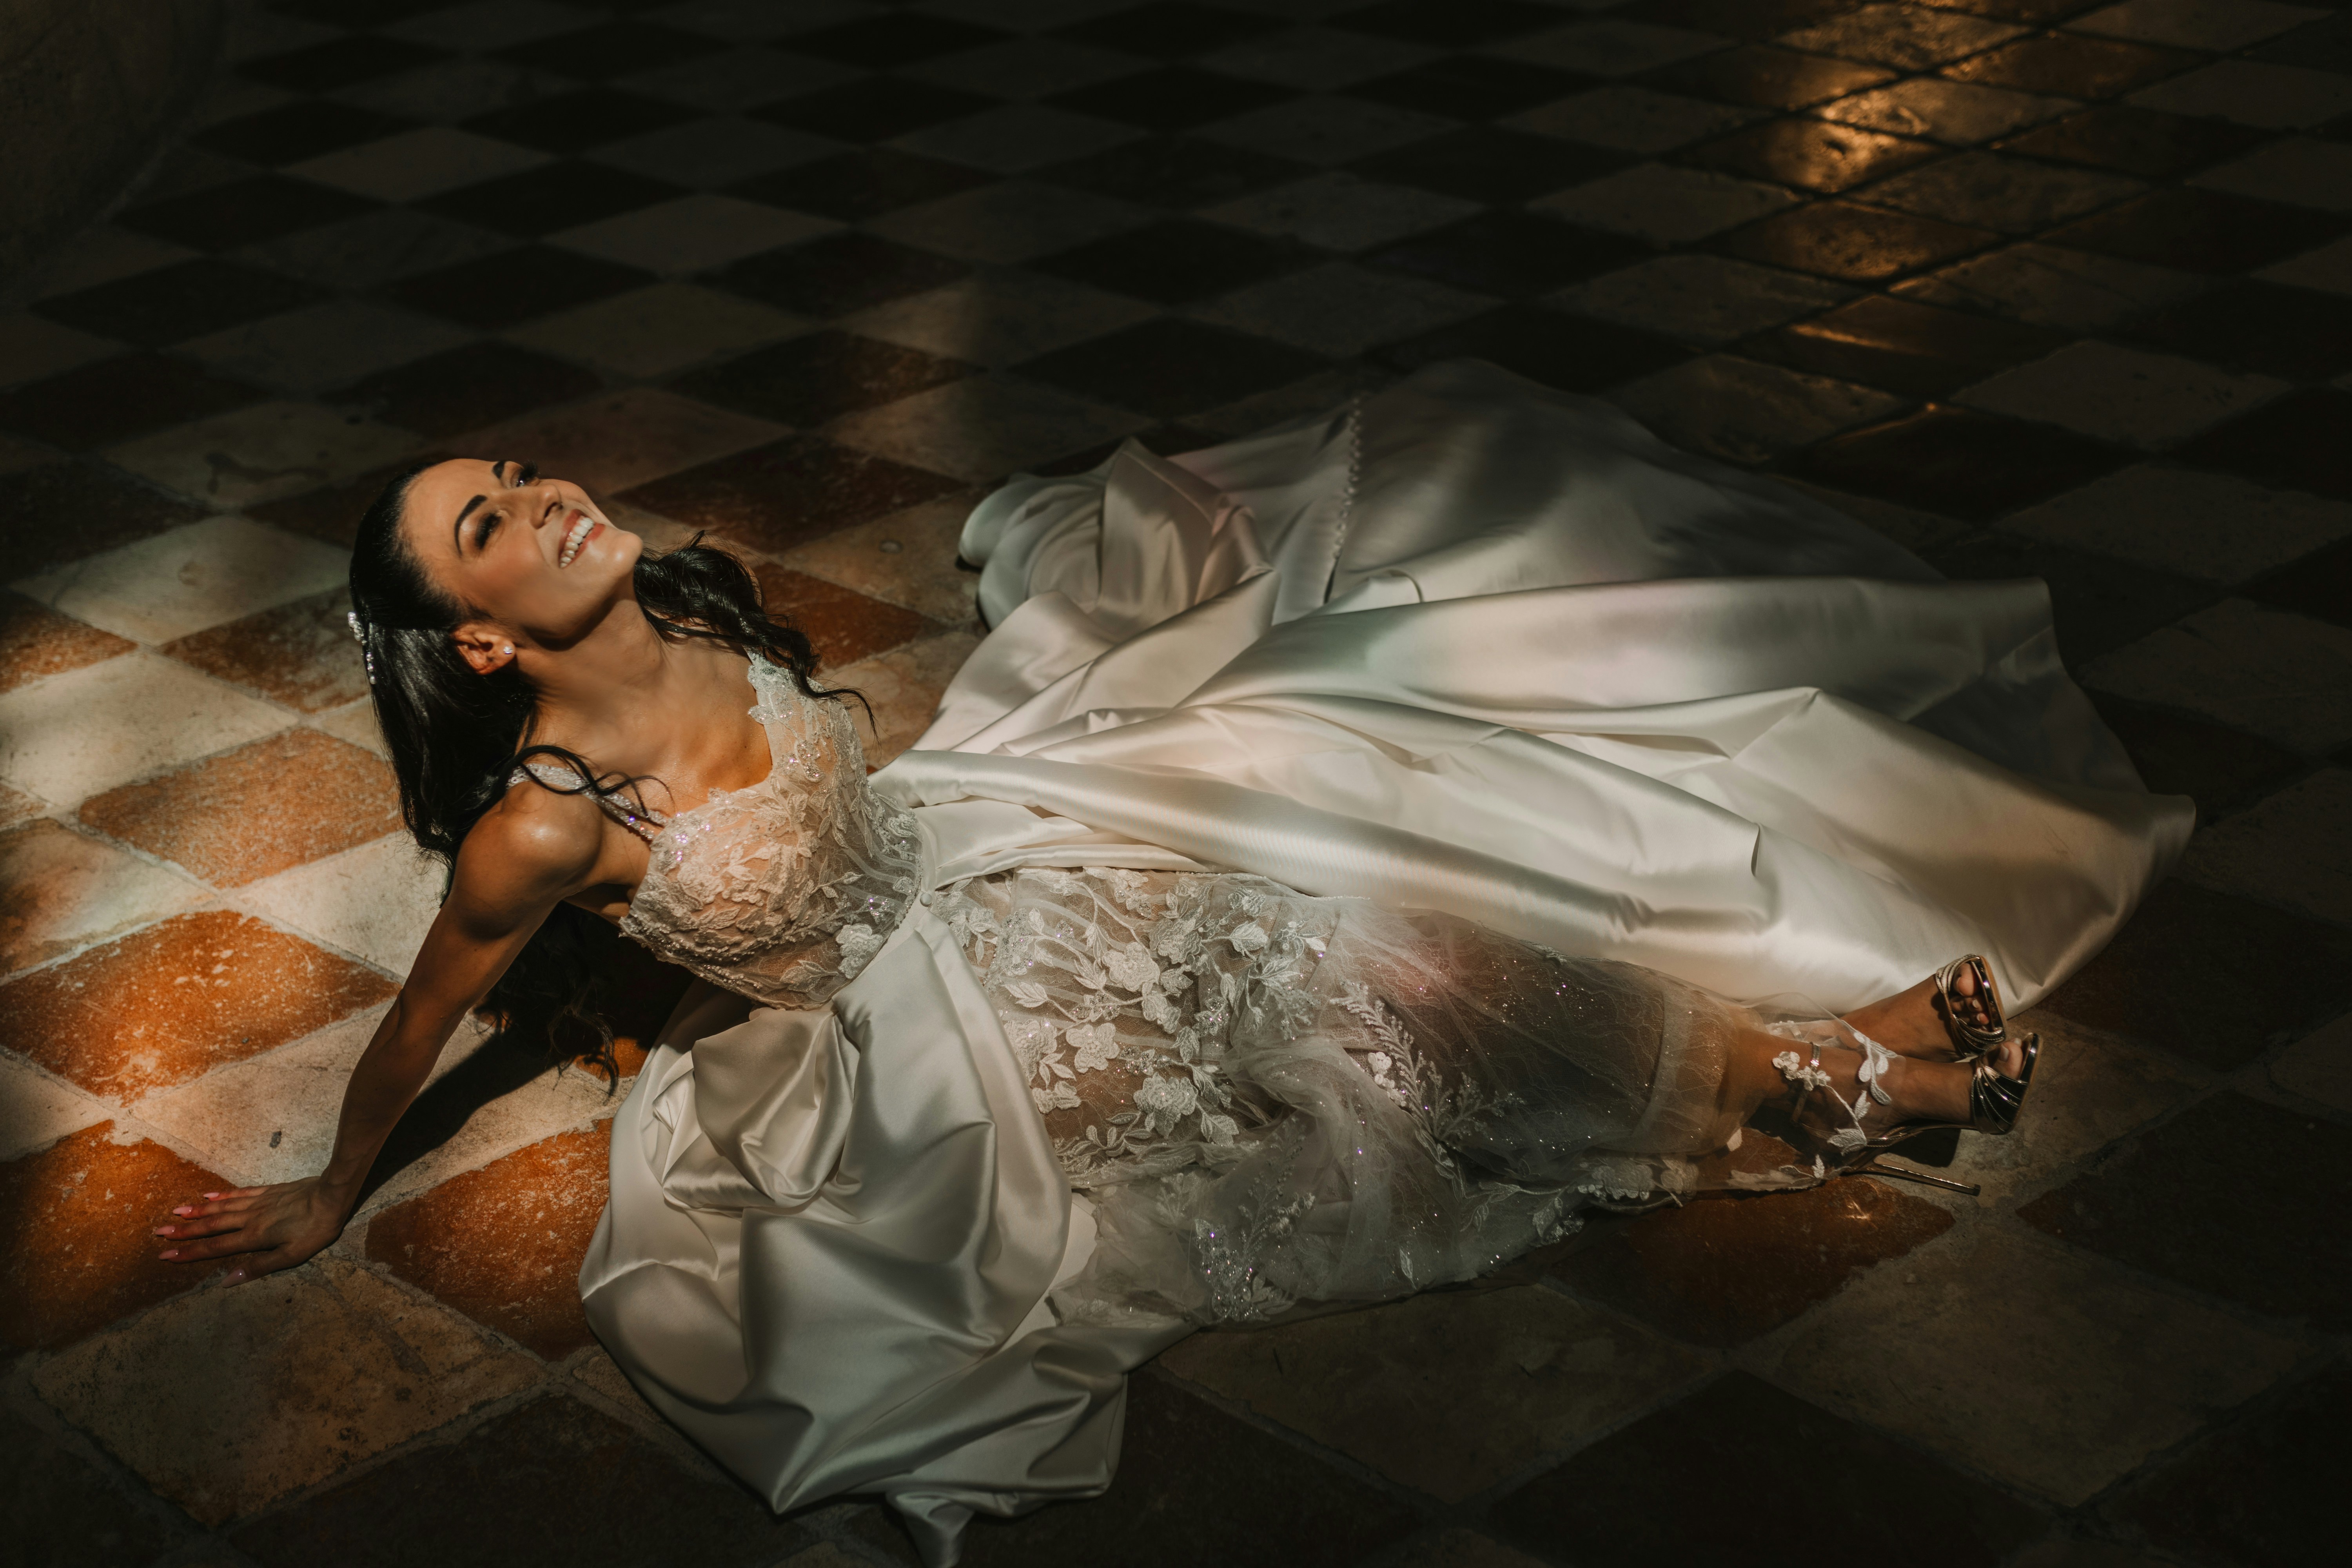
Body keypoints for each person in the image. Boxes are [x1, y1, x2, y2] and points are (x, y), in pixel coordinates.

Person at [153, 360, 2188, 1565]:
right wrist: (325, 1192)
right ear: (480, 637)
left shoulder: (688, 605)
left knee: (1365, 874)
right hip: (922, 1047)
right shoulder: (540, 824)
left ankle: (1804, 1063)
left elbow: (845, 803)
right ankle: (1830, 1086)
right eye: (490, 528)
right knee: (1348, 979)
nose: (542, 500)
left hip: (986, 862)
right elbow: (428, 1011)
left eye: (519, 478)